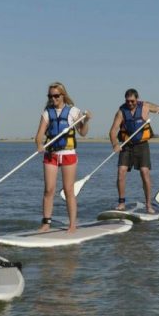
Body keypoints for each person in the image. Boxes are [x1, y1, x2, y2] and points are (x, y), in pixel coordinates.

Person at [34, 82, 91, 232]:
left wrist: (86, 120)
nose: (53, 99)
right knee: (49, 189)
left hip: (68, 154)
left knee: (68, 190)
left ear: (63, 95)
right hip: (51, 154)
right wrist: (39, 144)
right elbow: (39, 136)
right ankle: (46, 223)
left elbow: (83, 132)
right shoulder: (47, 113)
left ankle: (72, 224)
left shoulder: (74, 111)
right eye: (50, 96)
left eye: (56, 96)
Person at [108, 89, 159, 213]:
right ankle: (121, 203)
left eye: (132, 101)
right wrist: (115, 144)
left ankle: (148, 205)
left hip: (142, 145)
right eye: (127, 101)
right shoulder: (121, 112)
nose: (130, 103)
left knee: (145, 172)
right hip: (126, 145)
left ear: (137, 99)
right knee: (121, 172)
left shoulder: (146, 106)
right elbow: (113, 131)